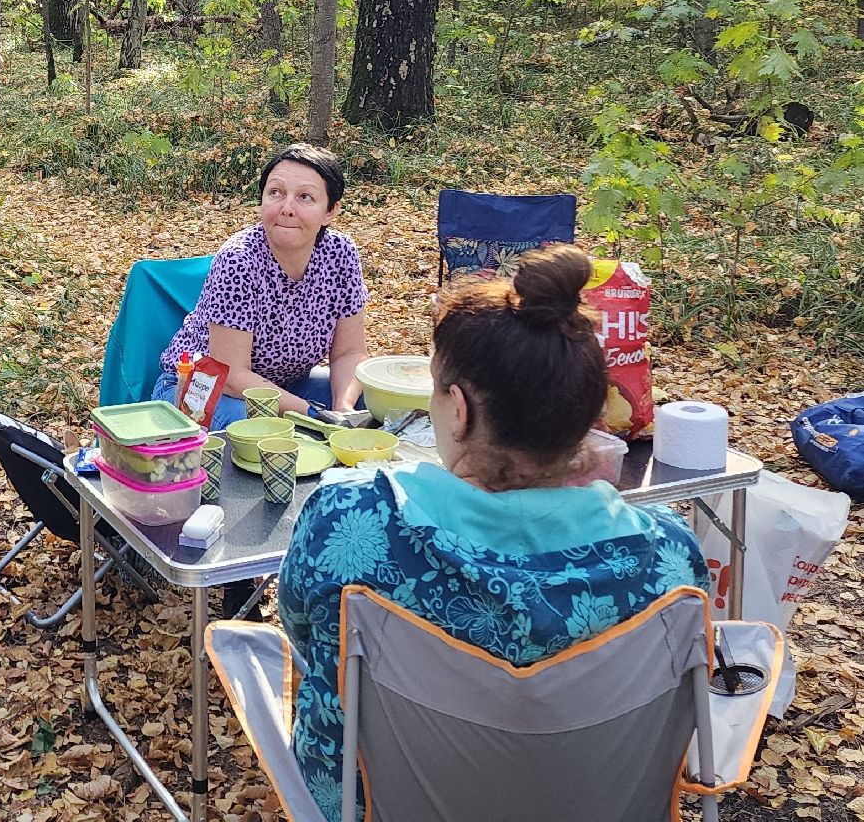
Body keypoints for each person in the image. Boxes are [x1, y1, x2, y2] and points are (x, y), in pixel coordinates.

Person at [276, 245, 709, 817]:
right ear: (585, 416)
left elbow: (304, 635)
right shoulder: (670, 555)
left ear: (458, 409)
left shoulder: (351, 520)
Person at [151, 143, 369, 432]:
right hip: (203, 390)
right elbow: (230, 375)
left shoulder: (341, 254)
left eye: (305, 197)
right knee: (265, 429)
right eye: (276, 193)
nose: (287, 208)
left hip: (287, 385)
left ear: (330, 211)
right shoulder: (239, 260)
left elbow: (349, 353)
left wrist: (343, 408)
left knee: (371, 402)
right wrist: (313, 415)